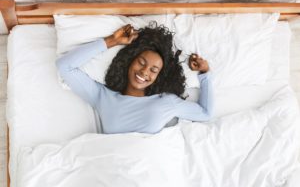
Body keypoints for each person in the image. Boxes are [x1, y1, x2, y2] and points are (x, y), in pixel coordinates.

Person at [56, 22, 213, 134]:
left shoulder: (167, 101)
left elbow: (205, 113)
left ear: (159, 76)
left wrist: (205, 73)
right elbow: (65, 66)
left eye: (153, 70)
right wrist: (112, 41)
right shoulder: (103, 97)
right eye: (141, 63)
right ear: (129, 62)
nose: (145, 72)